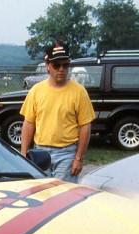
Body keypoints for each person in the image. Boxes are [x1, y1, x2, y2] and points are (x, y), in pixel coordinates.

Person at [19, 44, 94, 182]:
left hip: (67, 154)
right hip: (40, 153)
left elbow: (85, 126)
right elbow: (29, 123)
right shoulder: (36, 91)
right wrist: (24, 154)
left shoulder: (79, 92)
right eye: (56, 65)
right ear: (48, 65)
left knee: (63, 197)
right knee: (41, 195)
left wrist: (78, 158)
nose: (61, 69)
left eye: (65, 65)